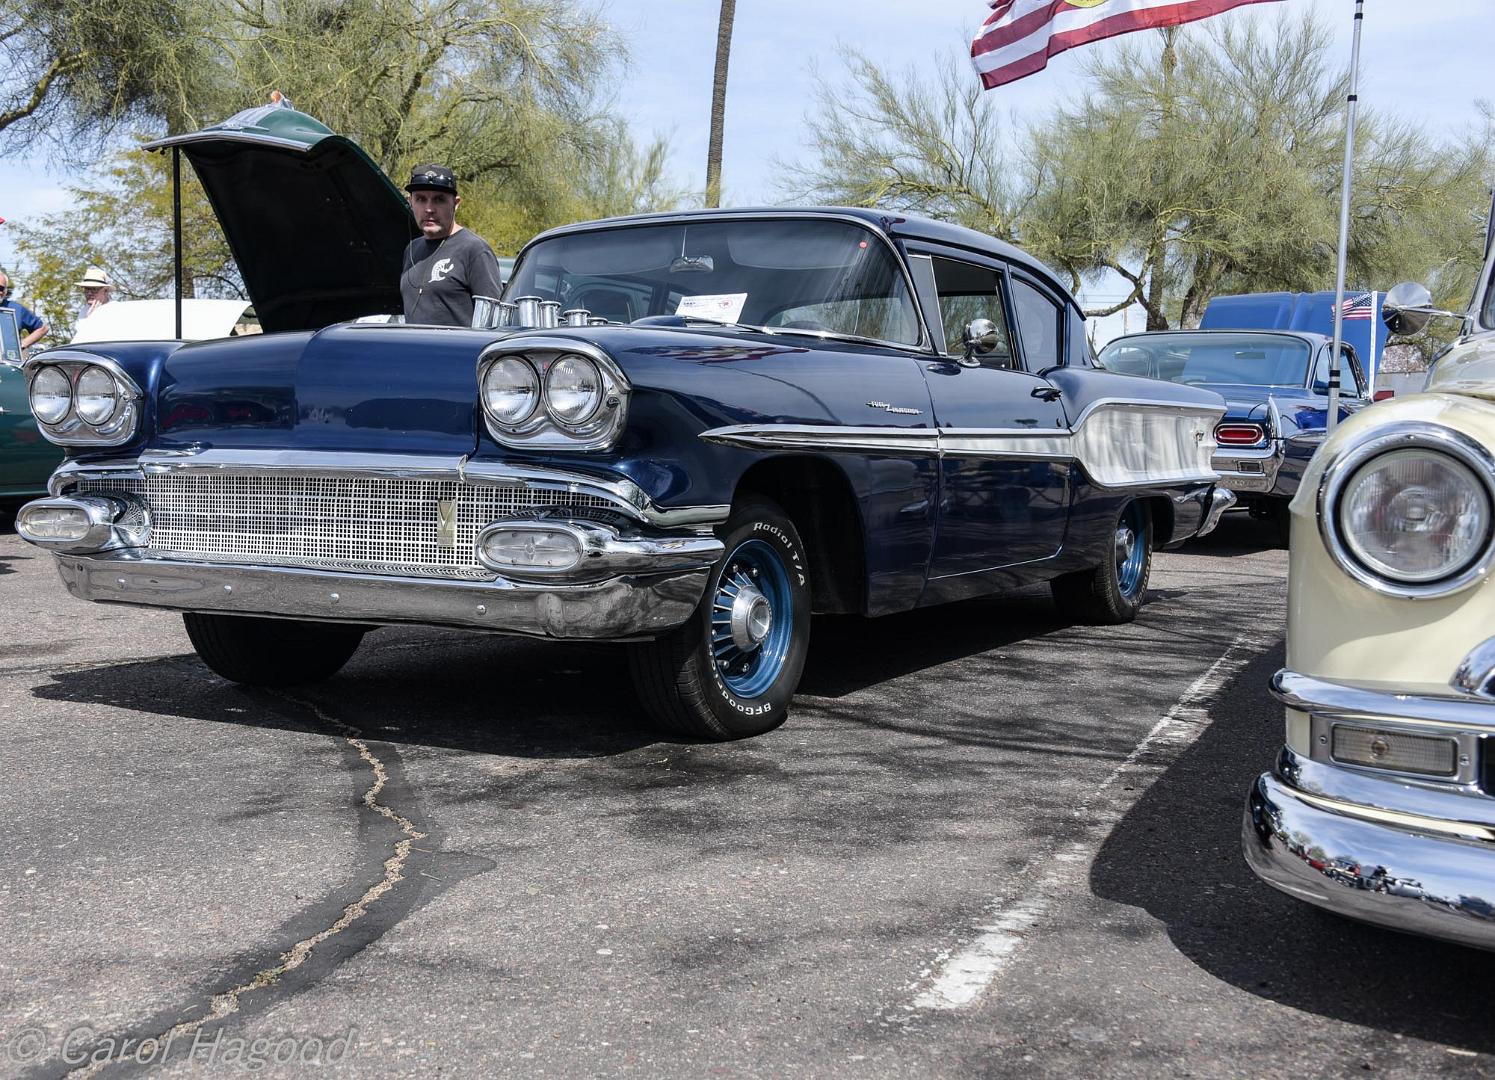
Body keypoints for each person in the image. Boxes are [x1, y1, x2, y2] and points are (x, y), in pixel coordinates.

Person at [399, 164, 503, 326]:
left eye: (439, 199)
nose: (429, 209)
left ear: (456, 203)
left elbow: (494, 322)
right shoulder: (411, 249)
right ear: (410, 202)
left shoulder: (475, 250)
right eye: (421, 199)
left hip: (458, 344)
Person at [0, 269, 49, 353]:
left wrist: (21, 345)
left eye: (1, 288)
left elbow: (43, 328)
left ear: (6, 290)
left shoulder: (16, 309)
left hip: (7, 359)